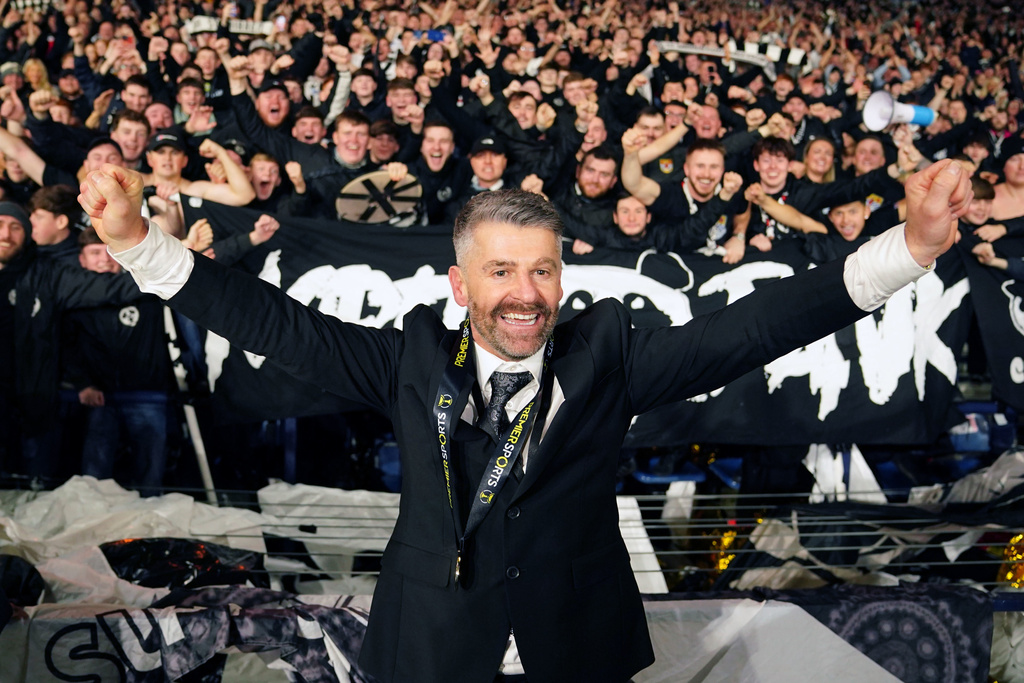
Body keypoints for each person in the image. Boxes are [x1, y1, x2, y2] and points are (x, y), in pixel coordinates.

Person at [80, 158, 968, 682]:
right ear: (462, 285)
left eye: (541, 271)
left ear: (562, 280)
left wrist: (913, 248)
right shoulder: (409, 359)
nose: (523, 293)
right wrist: (134, 244)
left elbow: (755, 327)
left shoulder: (608, 358)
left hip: (575, 645)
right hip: (430, 646)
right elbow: (269, 319)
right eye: (501, 272)